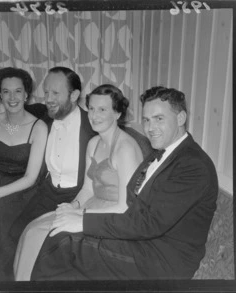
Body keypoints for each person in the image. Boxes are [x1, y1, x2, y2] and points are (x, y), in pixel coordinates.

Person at [30, 86, 219, 280]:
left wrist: (83, 221)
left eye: (159, 119)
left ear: (180, 118)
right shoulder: (160, 153)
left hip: (163, 259)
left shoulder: (193, 165)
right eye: (146, 120)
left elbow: (150, 223)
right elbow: (132, 203)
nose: (150, 128)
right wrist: (78, 213)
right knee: (61, 236)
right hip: (141, 242)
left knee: (64, 240)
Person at [13, 84, 144, 280]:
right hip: (91, 207)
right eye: (91, 108)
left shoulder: (125, 148)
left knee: (48, 236)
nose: (94, 115)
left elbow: (125, 206)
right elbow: (87, 189)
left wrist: (79, 215)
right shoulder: (93, 143)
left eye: (102, 110)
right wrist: (72, 205)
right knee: (34, 228)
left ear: (117, 114)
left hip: (113, 217)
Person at [8, 66, 97, 249]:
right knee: (15, 233)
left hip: (78, 195)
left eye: (55, 93)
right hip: (47, 192)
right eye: (46, 92)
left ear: (74, 95)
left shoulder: (93, 126)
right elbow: (15, 117)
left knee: (49, 245)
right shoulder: (43, 121)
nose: (48, 99)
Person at [0, 67, 48, 280]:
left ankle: (11, 280)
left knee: (2, 226)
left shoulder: (39, 127)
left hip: (25, 192)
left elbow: (31, 178)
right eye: (6, 91)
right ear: (0, 94)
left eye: (18, 91)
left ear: (26, 94)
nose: (12, 97)